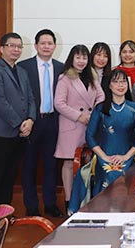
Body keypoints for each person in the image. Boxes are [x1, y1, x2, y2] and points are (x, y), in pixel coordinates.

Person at [0, 32, 36, 211]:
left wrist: (30, 120)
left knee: (10, 175)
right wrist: (20, 123)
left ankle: (5, 210)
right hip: (0, 131)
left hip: (19, 133)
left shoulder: (22, 71)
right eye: (11, 45)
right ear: (1, 48)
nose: (16, 49)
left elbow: (30, 98)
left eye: (19, 46)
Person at [19, 29, 64, 217]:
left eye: (50, 43)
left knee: (51, 165)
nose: (46, 46)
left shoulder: (62, 68)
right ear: (36, 45)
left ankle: (50, 204)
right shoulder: (23, 67)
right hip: (32, 121)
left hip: (53, 121)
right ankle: (31, 205)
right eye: (43, 43)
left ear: (55, 46)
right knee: (28, 164)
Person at [54, 45, 105, 211]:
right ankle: (69, 200)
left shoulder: (92, 76)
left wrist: (93, 114)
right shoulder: (64, 78)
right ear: (72, 59)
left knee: (88, 162)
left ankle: (85, 198)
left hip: (89, 125)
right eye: (78, 57)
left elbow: (101, 96)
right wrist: (79, 116)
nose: (81, 61)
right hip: (72, 125)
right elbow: (59, 103)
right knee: (69, 163)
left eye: (84, 58)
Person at [85, 69, 135, 197]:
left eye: (123, 81)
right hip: (104, 156)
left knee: (122, 173)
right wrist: (104, 157)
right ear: (109, 85)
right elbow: (89, 136)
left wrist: (126, 157)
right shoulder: (100, 108)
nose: (120, 85)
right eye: (116, 81)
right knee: (110, 173)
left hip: (128, 156)